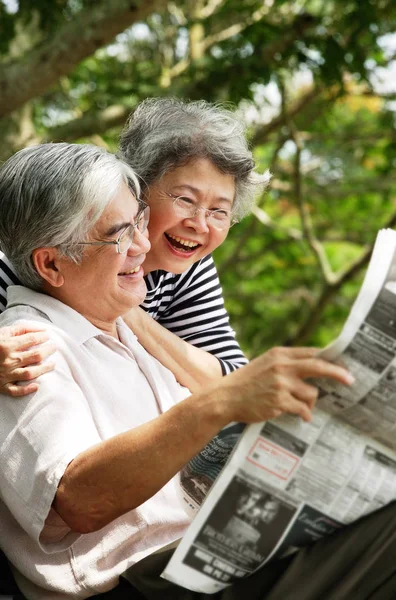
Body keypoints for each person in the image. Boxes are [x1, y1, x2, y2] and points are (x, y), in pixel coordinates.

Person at [0, 142, 356, 599]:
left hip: (210, 552)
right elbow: (76, 499)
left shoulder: (134, 324)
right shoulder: (28, 345)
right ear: (50, 263)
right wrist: (218, 402)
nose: (144, 247)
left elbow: (224, 379)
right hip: (142, 580)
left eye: (140, 223)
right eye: (120, 234)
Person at [0, 98, 270, 397]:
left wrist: (121, 311)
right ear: (136, 186)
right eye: (185, 200)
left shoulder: (188, 267)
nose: (201, 225)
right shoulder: (34, 251)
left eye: (219, 211)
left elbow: (234, 383)